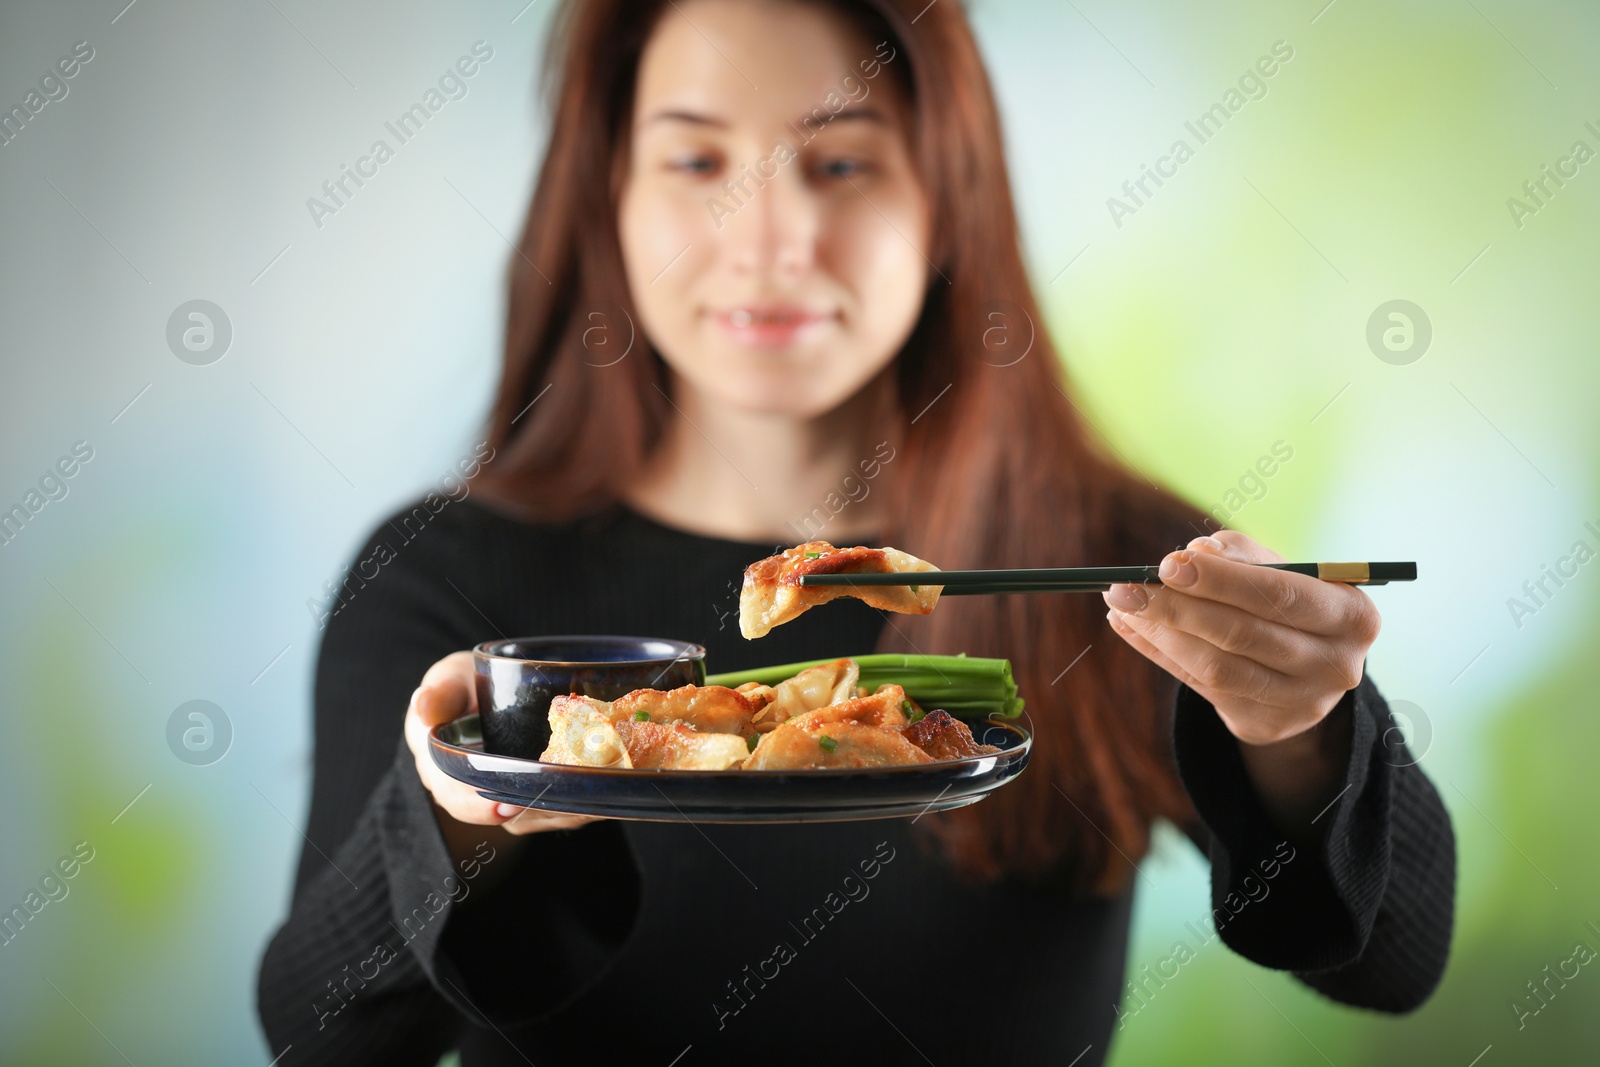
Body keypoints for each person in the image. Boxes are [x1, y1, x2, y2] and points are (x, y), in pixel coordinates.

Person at [257, 1, 1455, 1063]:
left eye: (838, 163)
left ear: (946, 199)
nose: (768, 236)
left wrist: (1301, 728)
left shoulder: (1124, 562)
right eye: (694, 158)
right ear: (605, 193)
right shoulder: (447, 580)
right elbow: (320, 1035)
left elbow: (1391, 962)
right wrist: (460, 812)